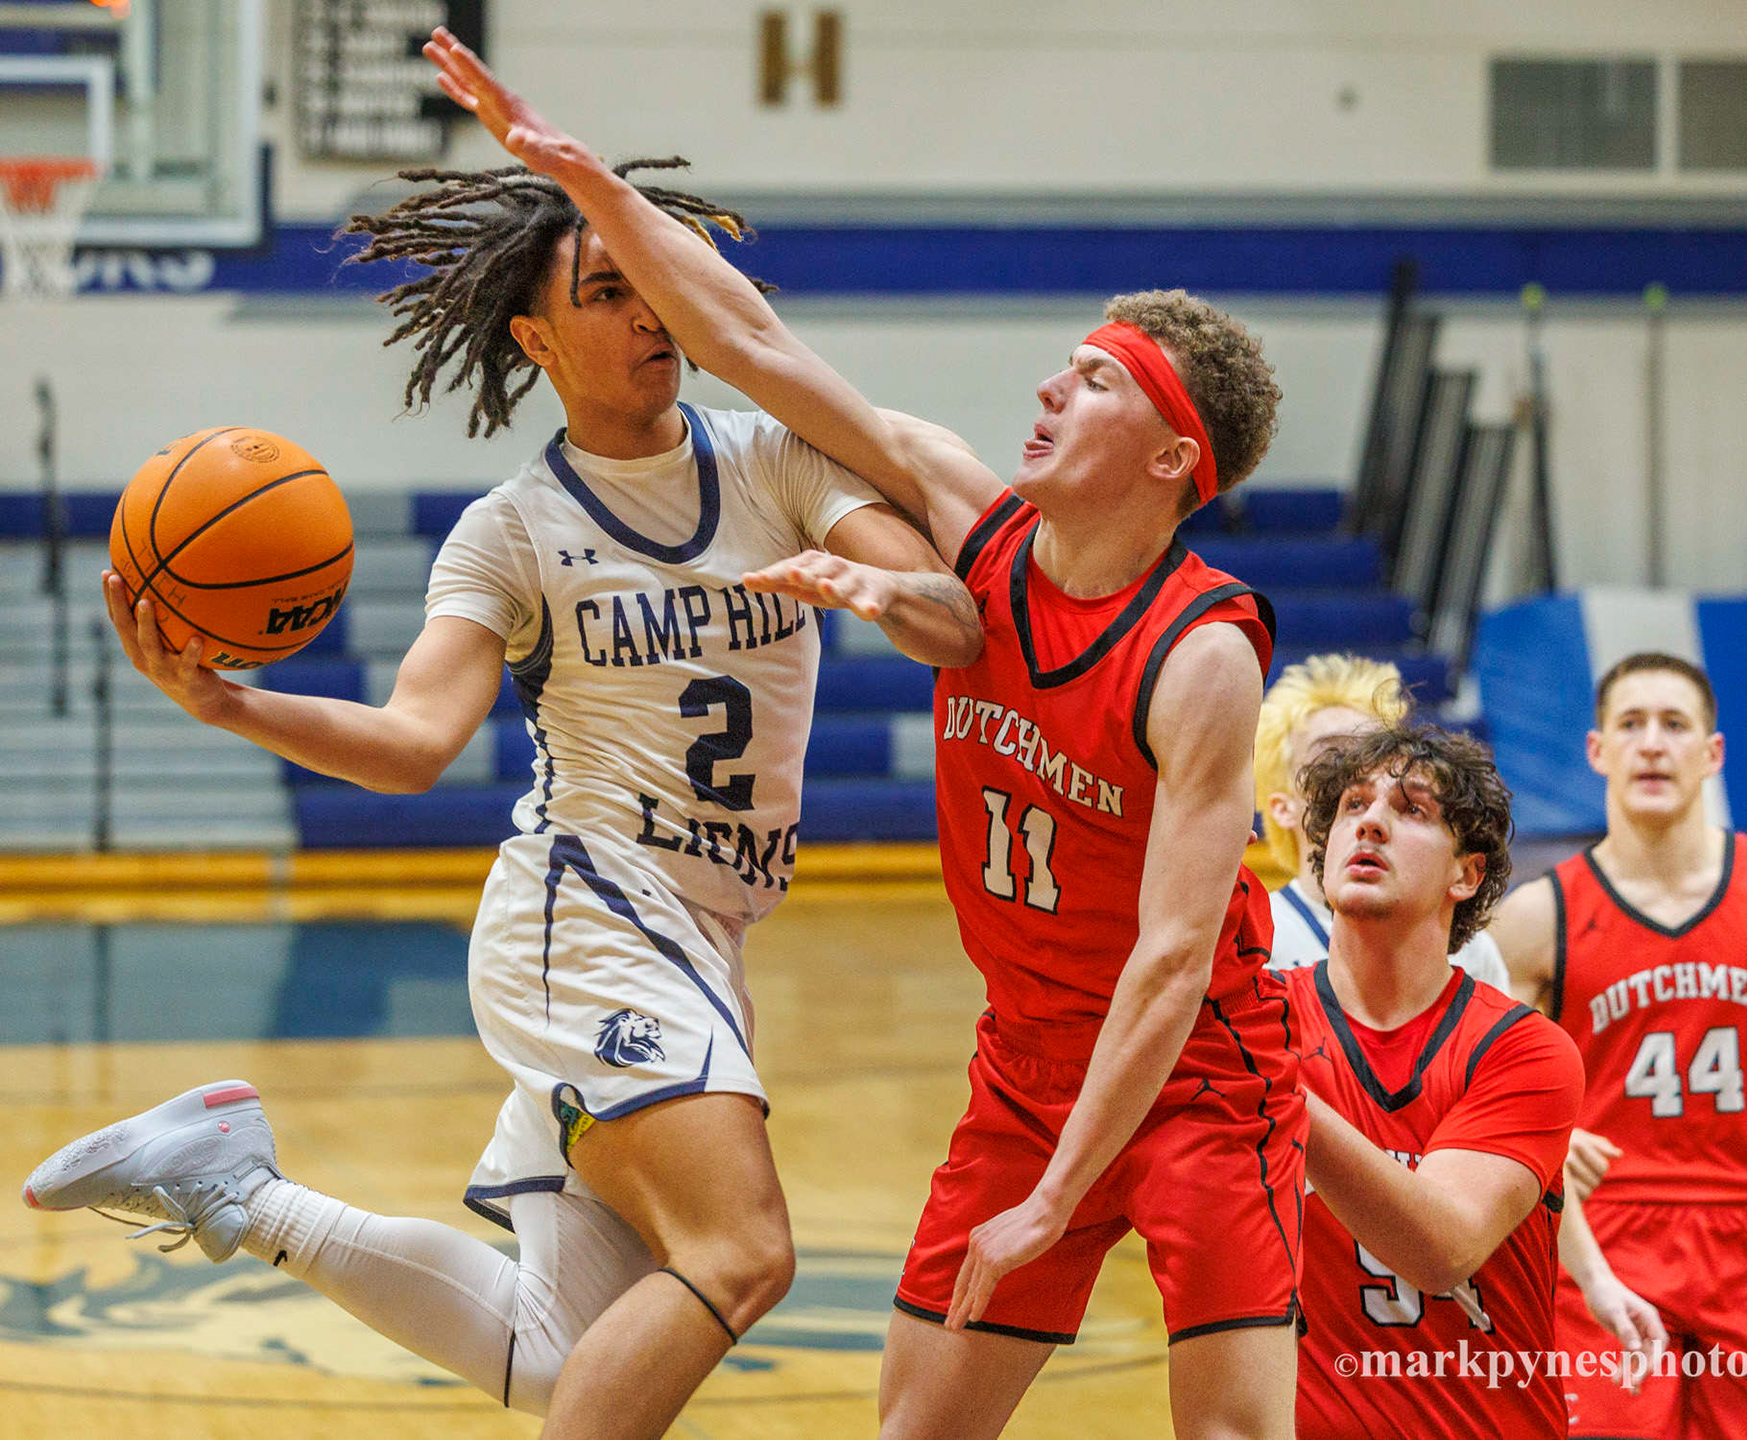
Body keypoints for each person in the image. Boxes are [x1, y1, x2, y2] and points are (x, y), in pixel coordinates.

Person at [409, 28, 1309, 1439]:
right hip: (1024, 1067)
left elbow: (1174, 963)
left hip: (1195, 1078)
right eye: (1060, 366)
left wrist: (1061, 1201)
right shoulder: (973, 520)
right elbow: (750, 343)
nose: (1046, 390)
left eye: (1093, 382)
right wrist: (579, 176)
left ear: (1170, 458)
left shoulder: (1199, 654)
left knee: (1235, 1434)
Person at [22, 147, 984, 1440]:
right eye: (604, 292)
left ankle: (242, 1195)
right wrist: (230, 704)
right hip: (586, 916)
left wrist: (888, 591)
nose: (648, 314)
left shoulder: (777, 462)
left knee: (559, 1355)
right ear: (534, 335)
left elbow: (955, 630)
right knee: (741, 1251)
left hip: (703, 935)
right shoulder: (514, 532)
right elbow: (418, 740)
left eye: (655, 283)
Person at [1490, 651, 1747, 1438]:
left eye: (1675, 725)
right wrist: (1546, 1137)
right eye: (1632, 725)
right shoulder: (1537, 917)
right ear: (1597, 751)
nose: (1652, 744)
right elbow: (1478, 1086)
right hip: (1602, 1238)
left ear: (1712, 753)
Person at [1275, 723, 1585, 1434]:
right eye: (1353, 806)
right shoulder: (1262, 1019)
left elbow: (1441, 1250)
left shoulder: (1523, 1049)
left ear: (1466, 874)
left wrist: (1275, 1087)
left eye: (1411, 810)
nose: (1372, 822)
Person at [1254, 652, 1508, 988]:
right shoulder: (1254, 938)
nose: (1354, 771)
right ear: (1282, 807)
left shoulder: (1472, 951)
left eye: (1375, 752)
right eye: (1332, 755)